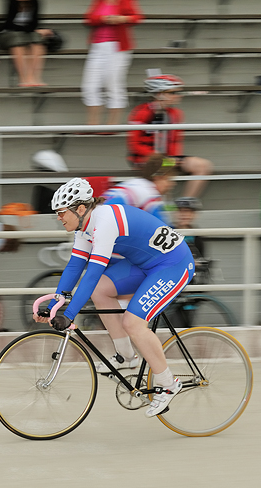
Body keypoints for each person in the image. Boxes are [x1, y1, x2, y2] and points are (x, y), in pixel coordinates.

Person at [34, 178, 194, 418]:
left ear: (79, 209)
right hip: (143, 264)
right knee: (100, 290)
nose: (58, 217)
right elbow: (76, 265)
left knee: (133, 322)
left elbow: (91, 273)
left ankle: (169, 383)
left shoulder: (105, 221)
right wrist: (57, 300)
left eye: (61, 212)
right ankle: (126, 356)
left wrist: (69, 315)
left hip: (172, 263)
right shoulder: (83, 226)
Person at [128, 73, 214, 198]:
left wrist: (172, 159)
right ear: (159, 94)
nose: (179, 96)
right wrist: (158, 158)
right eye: (173, 93)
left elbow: (175, 142)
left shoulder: (176, 114)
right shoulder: (141, 112)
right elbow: (135, 145)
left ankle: (185, 204)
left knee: (203, 166)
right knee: (161, 171)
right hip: (145, 160)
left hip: (167, 159)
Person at [81, 0, 143, 126]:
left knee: (113, 83)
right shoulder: (99, 1)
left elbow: (137, 18)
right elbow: (89, 19)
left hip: (117, 47)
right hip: (97, 47)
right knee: (89, 86)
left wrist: (122, 19)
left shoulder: (126, 1)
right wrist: (104, 18)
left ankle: (112, 124)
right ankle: (92, 124)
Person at [102, 153, 177, 222]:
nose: (171, 184)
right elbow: (162, 228)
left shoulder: (134, 183)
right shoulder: (151, 194)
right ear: (158, 178)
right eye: (168, 179)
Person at [0, 0, 53, 87]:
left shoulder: (35, 3)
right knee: (18, 42)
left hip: (26, 34)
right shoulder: (12, 2)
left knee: (38, 42)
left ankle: (34, 77)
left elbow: (34, 23)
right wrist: (29, 30)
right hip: (7, 34)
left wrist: (35, 31)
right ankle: (23, 78)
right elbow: (8, 24)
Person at [173, 196, 205, 260]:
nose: (183, 214)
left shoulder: (197, 236)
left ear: (194, 215)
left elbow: (201, 257)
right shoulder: (167, 231)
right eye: (180, 211)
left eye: (187, 211)